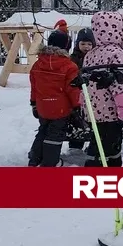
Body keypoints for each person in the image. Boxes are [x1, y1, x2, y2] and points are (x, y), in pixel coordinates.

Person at [82, 9, 123, 167]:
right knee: (112, 148)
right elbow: (121, 86)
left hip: (92, 112)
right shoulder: (118, 54)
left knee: (97, 144)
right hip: (111, 113)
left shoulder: (90, 55)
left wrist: (84, 107)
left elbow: (85, 83)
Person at [28, 29, 81, 166]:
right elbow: (72, 89)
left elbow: (34, 86)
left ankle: (35, 158)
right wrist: (78, 105)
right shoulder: (69, 66)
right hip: (60, 109)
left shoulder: (38, 64)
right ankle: (50, 162)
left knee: (43, 131)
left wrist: (34, 103)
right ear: (66, 47)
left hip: (42, 107)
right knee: (55, 135)